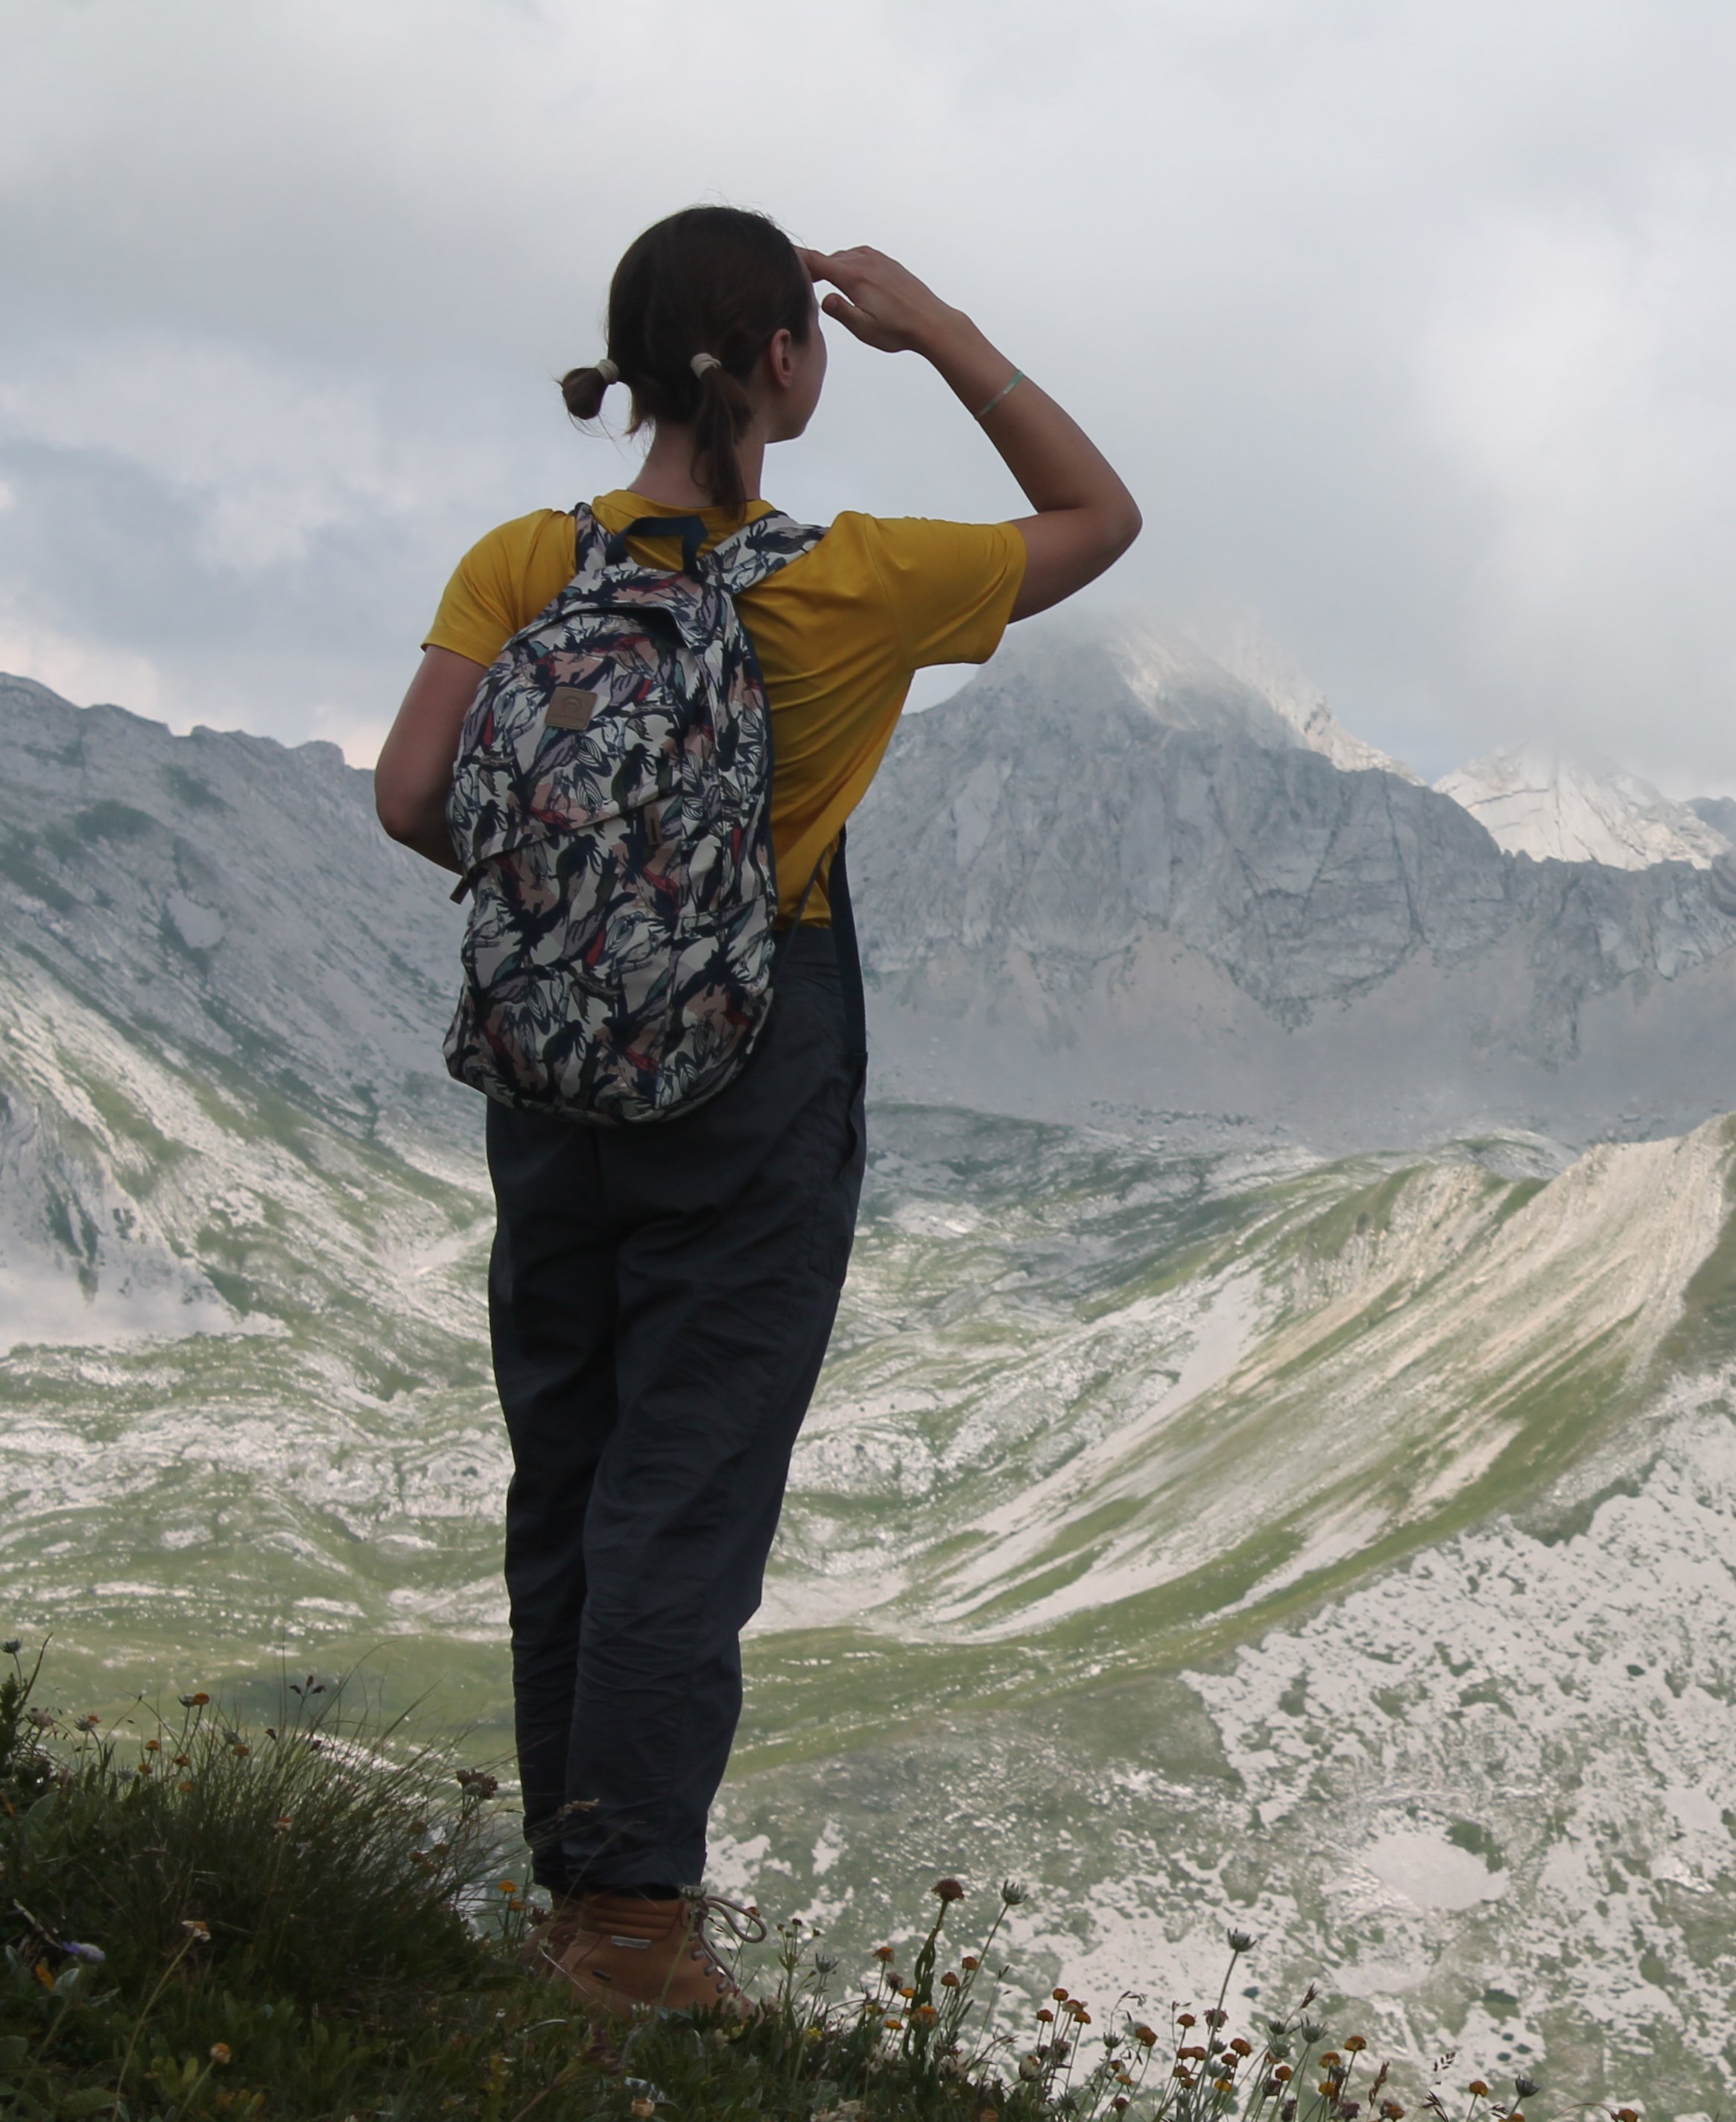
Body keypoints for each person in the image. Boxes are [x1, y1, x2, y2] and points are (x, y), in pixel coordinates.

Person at [373, 204, 1138, 2014]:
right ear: (788, 366)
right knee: (684, 1487)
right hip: (751, 1072)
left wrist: (588, 902)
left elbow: (411, 794)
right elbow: (1099, 519)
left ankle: (580, 1891)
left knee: (568, 1468)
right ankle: (633, 1929)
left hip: (552, 1073)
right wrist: (944, 328)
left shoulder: (519, 562)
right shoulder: (848, 580)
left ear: (629, 367)